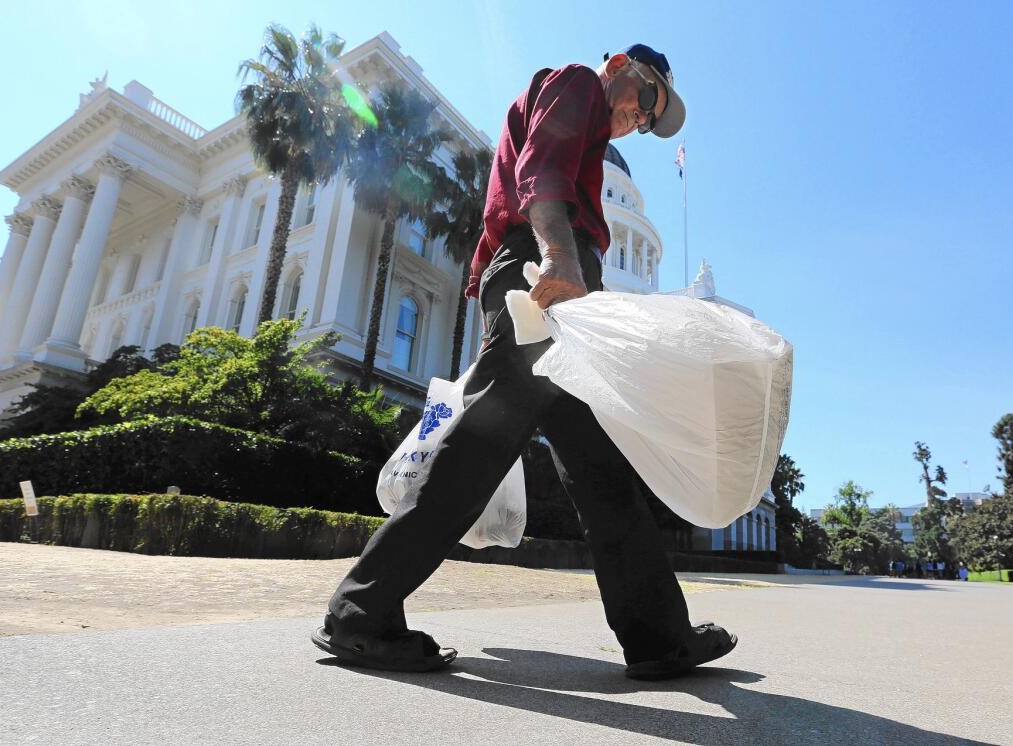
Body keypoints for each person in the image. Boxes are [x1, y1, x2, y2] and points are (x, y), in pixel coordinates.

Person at [313, 44, 736, 680]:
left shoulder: (595, 114)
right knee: (484, 440)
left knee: (600, 466)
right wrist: (561, 259)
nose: (641, 120)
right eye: (647, 100)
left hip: (549, 276)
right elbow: (541, 172)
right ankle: (361, 611)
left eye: (651, 121)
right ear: (620, 66)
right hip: (543, 274)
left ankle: (659, 636)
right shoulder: (579, 85)